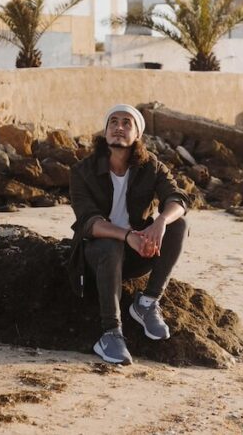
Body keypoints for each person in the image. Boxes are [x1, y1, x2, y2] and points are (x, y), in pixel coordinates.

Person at [68, 104, 189, 365]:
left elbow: (178, 198)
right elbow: (88, 222)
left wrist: (161, 222)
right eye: (113, 122)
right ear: (106, 130)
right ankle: (111, 333)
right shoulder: (83, 171)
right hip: (96, 256)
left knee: (179, 225)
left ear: (137, 136)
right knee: (111, 246)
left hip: (137, 253)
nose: (119, 127)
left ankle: (146, 303)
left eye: (127, 123)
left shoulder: (151, 166)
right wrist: (127, 236)